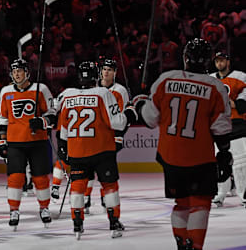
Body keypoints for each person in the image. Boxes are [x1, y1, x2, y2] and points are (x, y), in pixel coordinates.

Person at [135, 39, 232, 250]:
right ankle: (195, 246)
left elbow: (150, 119)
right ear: (208, 61)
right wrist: (224, 153)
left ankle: (181, 243)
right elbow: (221, 128)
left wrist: (141, 104)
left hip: (170, 156)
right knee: (200, 203)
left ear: (185, 57)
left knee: (181, 203)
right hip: (200, 157)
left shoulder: (166, 79)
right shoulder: (215, 86)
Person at [41, 61, 136, 239]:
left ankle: (77, 224)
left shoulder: (67, 94)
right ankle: (114, 222)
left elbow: (54, 114)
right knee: (109, 186)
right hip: (102, 150)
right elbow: (117, 122)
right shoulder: (103, 93)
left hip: (77, 150)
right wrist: (130, 112)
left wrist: (52, 131)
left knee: (77, 186)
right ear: (96, 76)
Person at [0, 58, 54, 230]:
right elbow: (3, 118)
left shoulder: (41, 89)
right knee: (15, 178)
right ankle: (14, 210)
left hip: (37, 142)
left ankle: (44, 208)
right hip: (15, 143)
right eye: (14, 71)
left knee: (40, 178)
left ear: (27, 72)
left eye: (19, 71)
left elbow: (52, 112)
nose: (16, 74)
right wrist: (2, 139)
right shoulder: (5, 91)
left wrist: (42, 121)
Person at [82, 57, 131, 213]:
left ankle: (106, 199)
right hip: (92, 136)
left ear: (115, 73)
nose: (106, 72)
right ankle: (86, 199)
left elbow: (122, 116)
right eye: (104, 69)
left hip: (110, 137)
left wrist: (118, 136)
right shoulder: (93, 87)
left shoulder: (120, 91)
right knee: (88, 171)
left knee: (106, 172)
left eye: (109, 70)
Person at [210, 51, 246, 207]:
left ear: (228, 62)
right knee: (220, 163)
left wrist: (227, 103)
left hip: (238, 125)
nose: (219, 63)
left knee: (240, 164)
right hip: (217, 126)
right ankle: (219, 195)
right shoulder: (209, 79)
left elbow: (242, 105)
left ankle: (244, 195)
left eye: (222, 60)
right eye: (217, 61)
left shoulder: (241, 77)